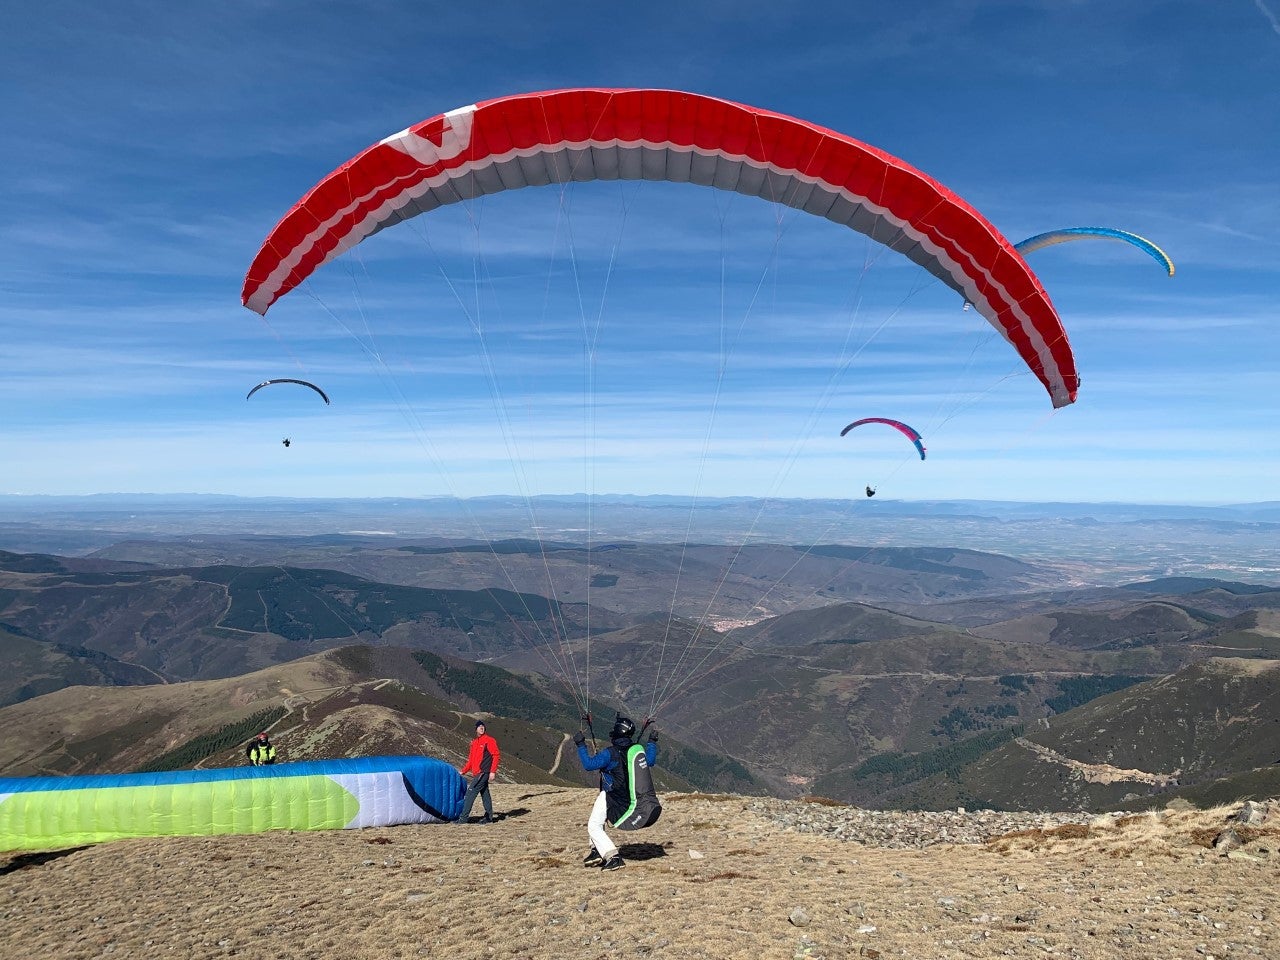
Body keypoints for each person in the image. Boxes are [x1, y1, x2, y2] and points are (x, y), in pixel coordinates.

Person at [574, 715, 659, 871]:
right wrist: (652, 742)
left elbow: (588, 764)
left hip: (612, 795)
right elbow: (651, 761)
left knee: (594, 825)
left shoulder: (610, 753)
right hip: (627, 796)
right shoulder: (635, 750)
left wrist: (580, 744)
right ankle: (596, 851)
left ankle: (612, 856)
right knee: (597, 820)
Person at [457, 719, 500, 823]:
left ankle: (463, 819)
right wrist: (463, 771)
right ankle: (489, 817)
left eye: (483, 726)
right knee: (485, 794)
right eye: (479, 726)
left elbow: (496, 755)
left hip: (483, 772)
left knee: (470, 793)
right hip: (477, 773)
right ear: (476, 729)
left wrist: (493, 771)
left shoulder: (489, 740)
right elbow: (471, 761)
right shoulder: (474, 743)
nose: (482, 728)